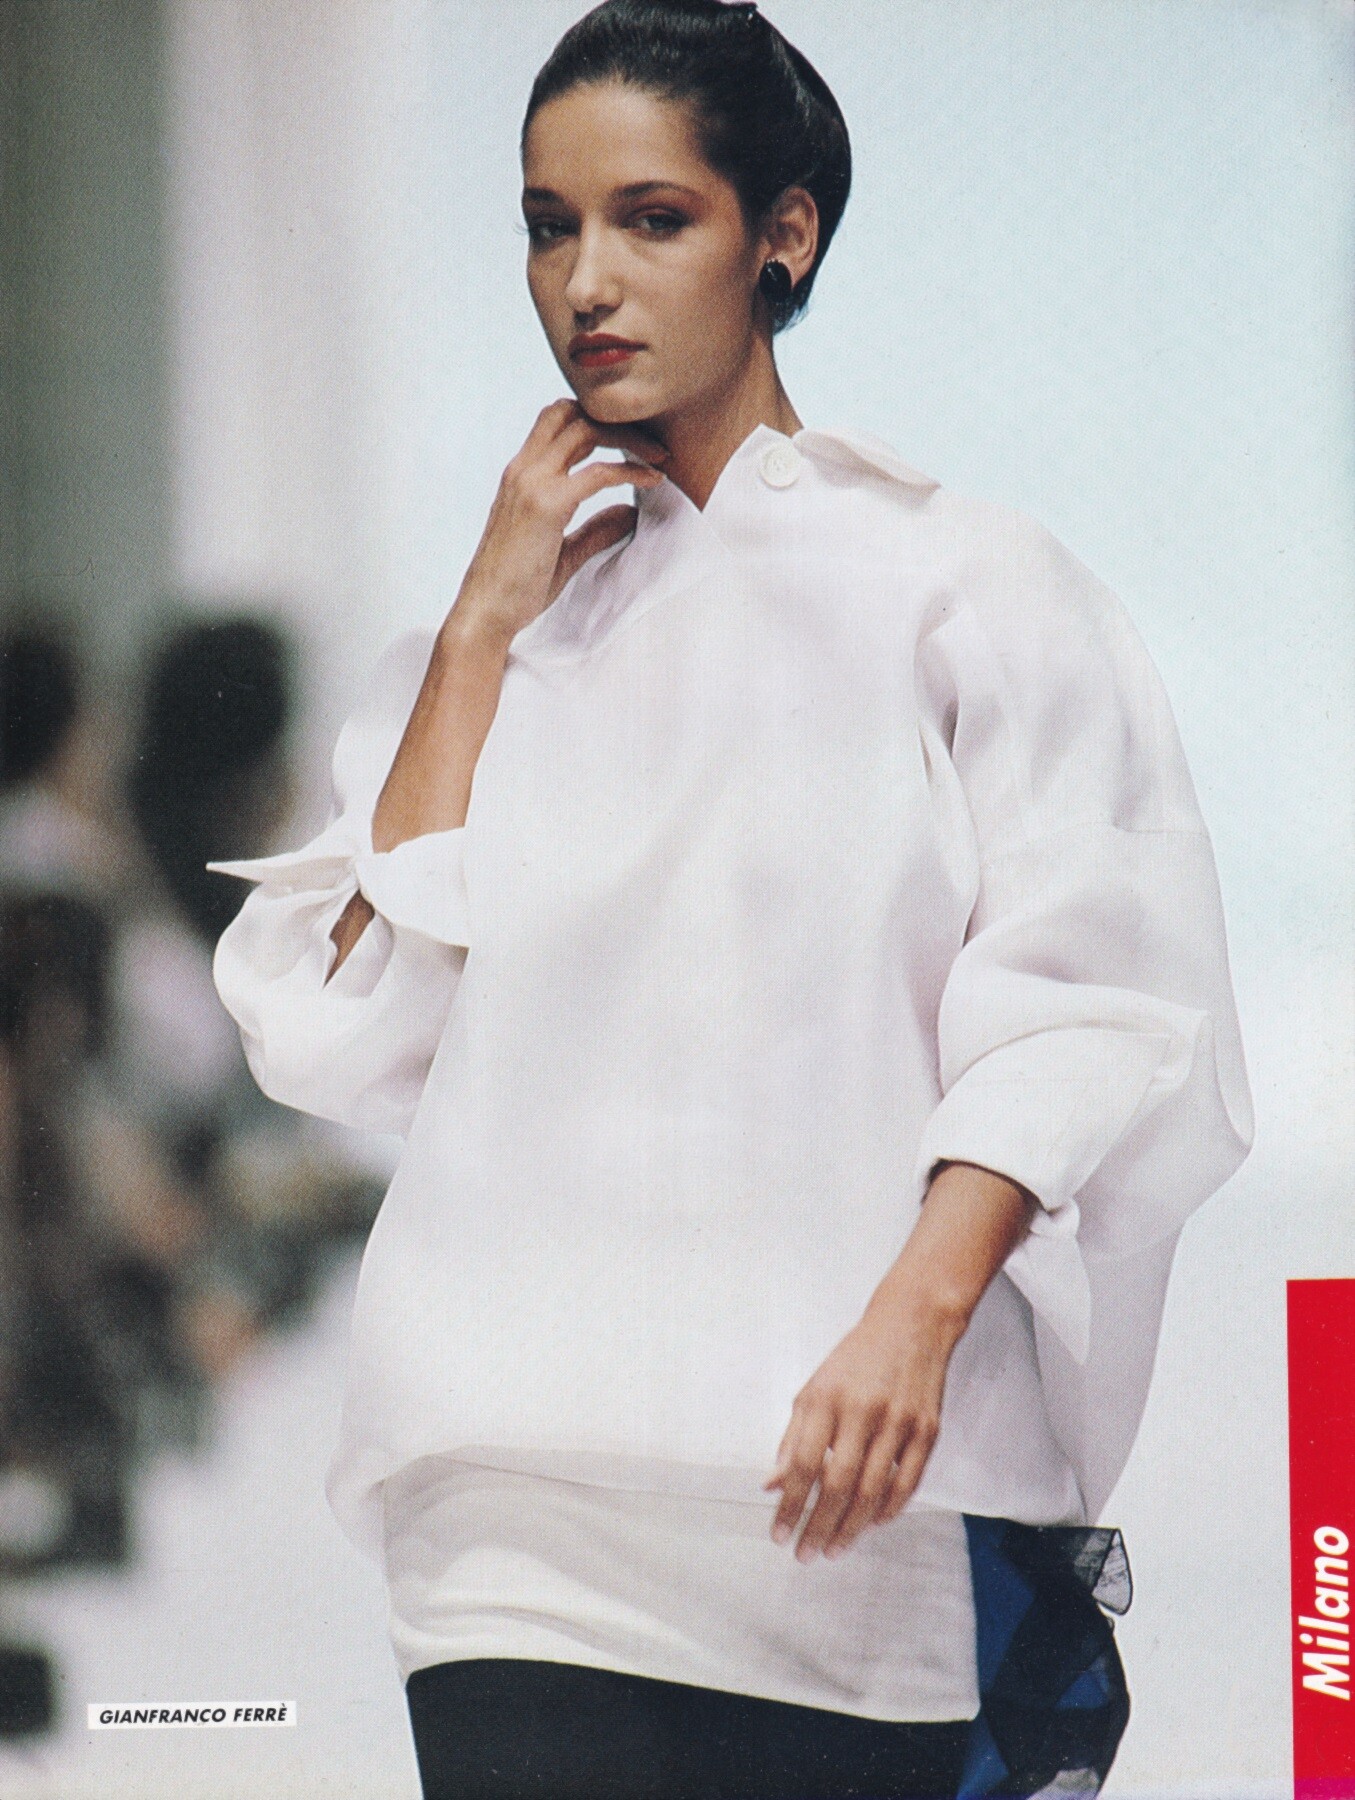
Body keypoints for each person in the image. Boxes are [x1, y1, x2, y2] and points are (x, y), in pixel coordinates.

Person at [211, 3, 1253, 1795]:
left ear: (785, 234)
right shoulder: (497, 644)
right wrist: (480, 626)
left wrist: (916, 1318)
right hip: (505, 1514)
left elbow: (1090, 1004)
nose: (586, 282)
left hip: (841, 1500)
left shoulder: (964, 588)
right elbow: (338, 1031)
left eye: (652, 218)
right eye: (548, 225)